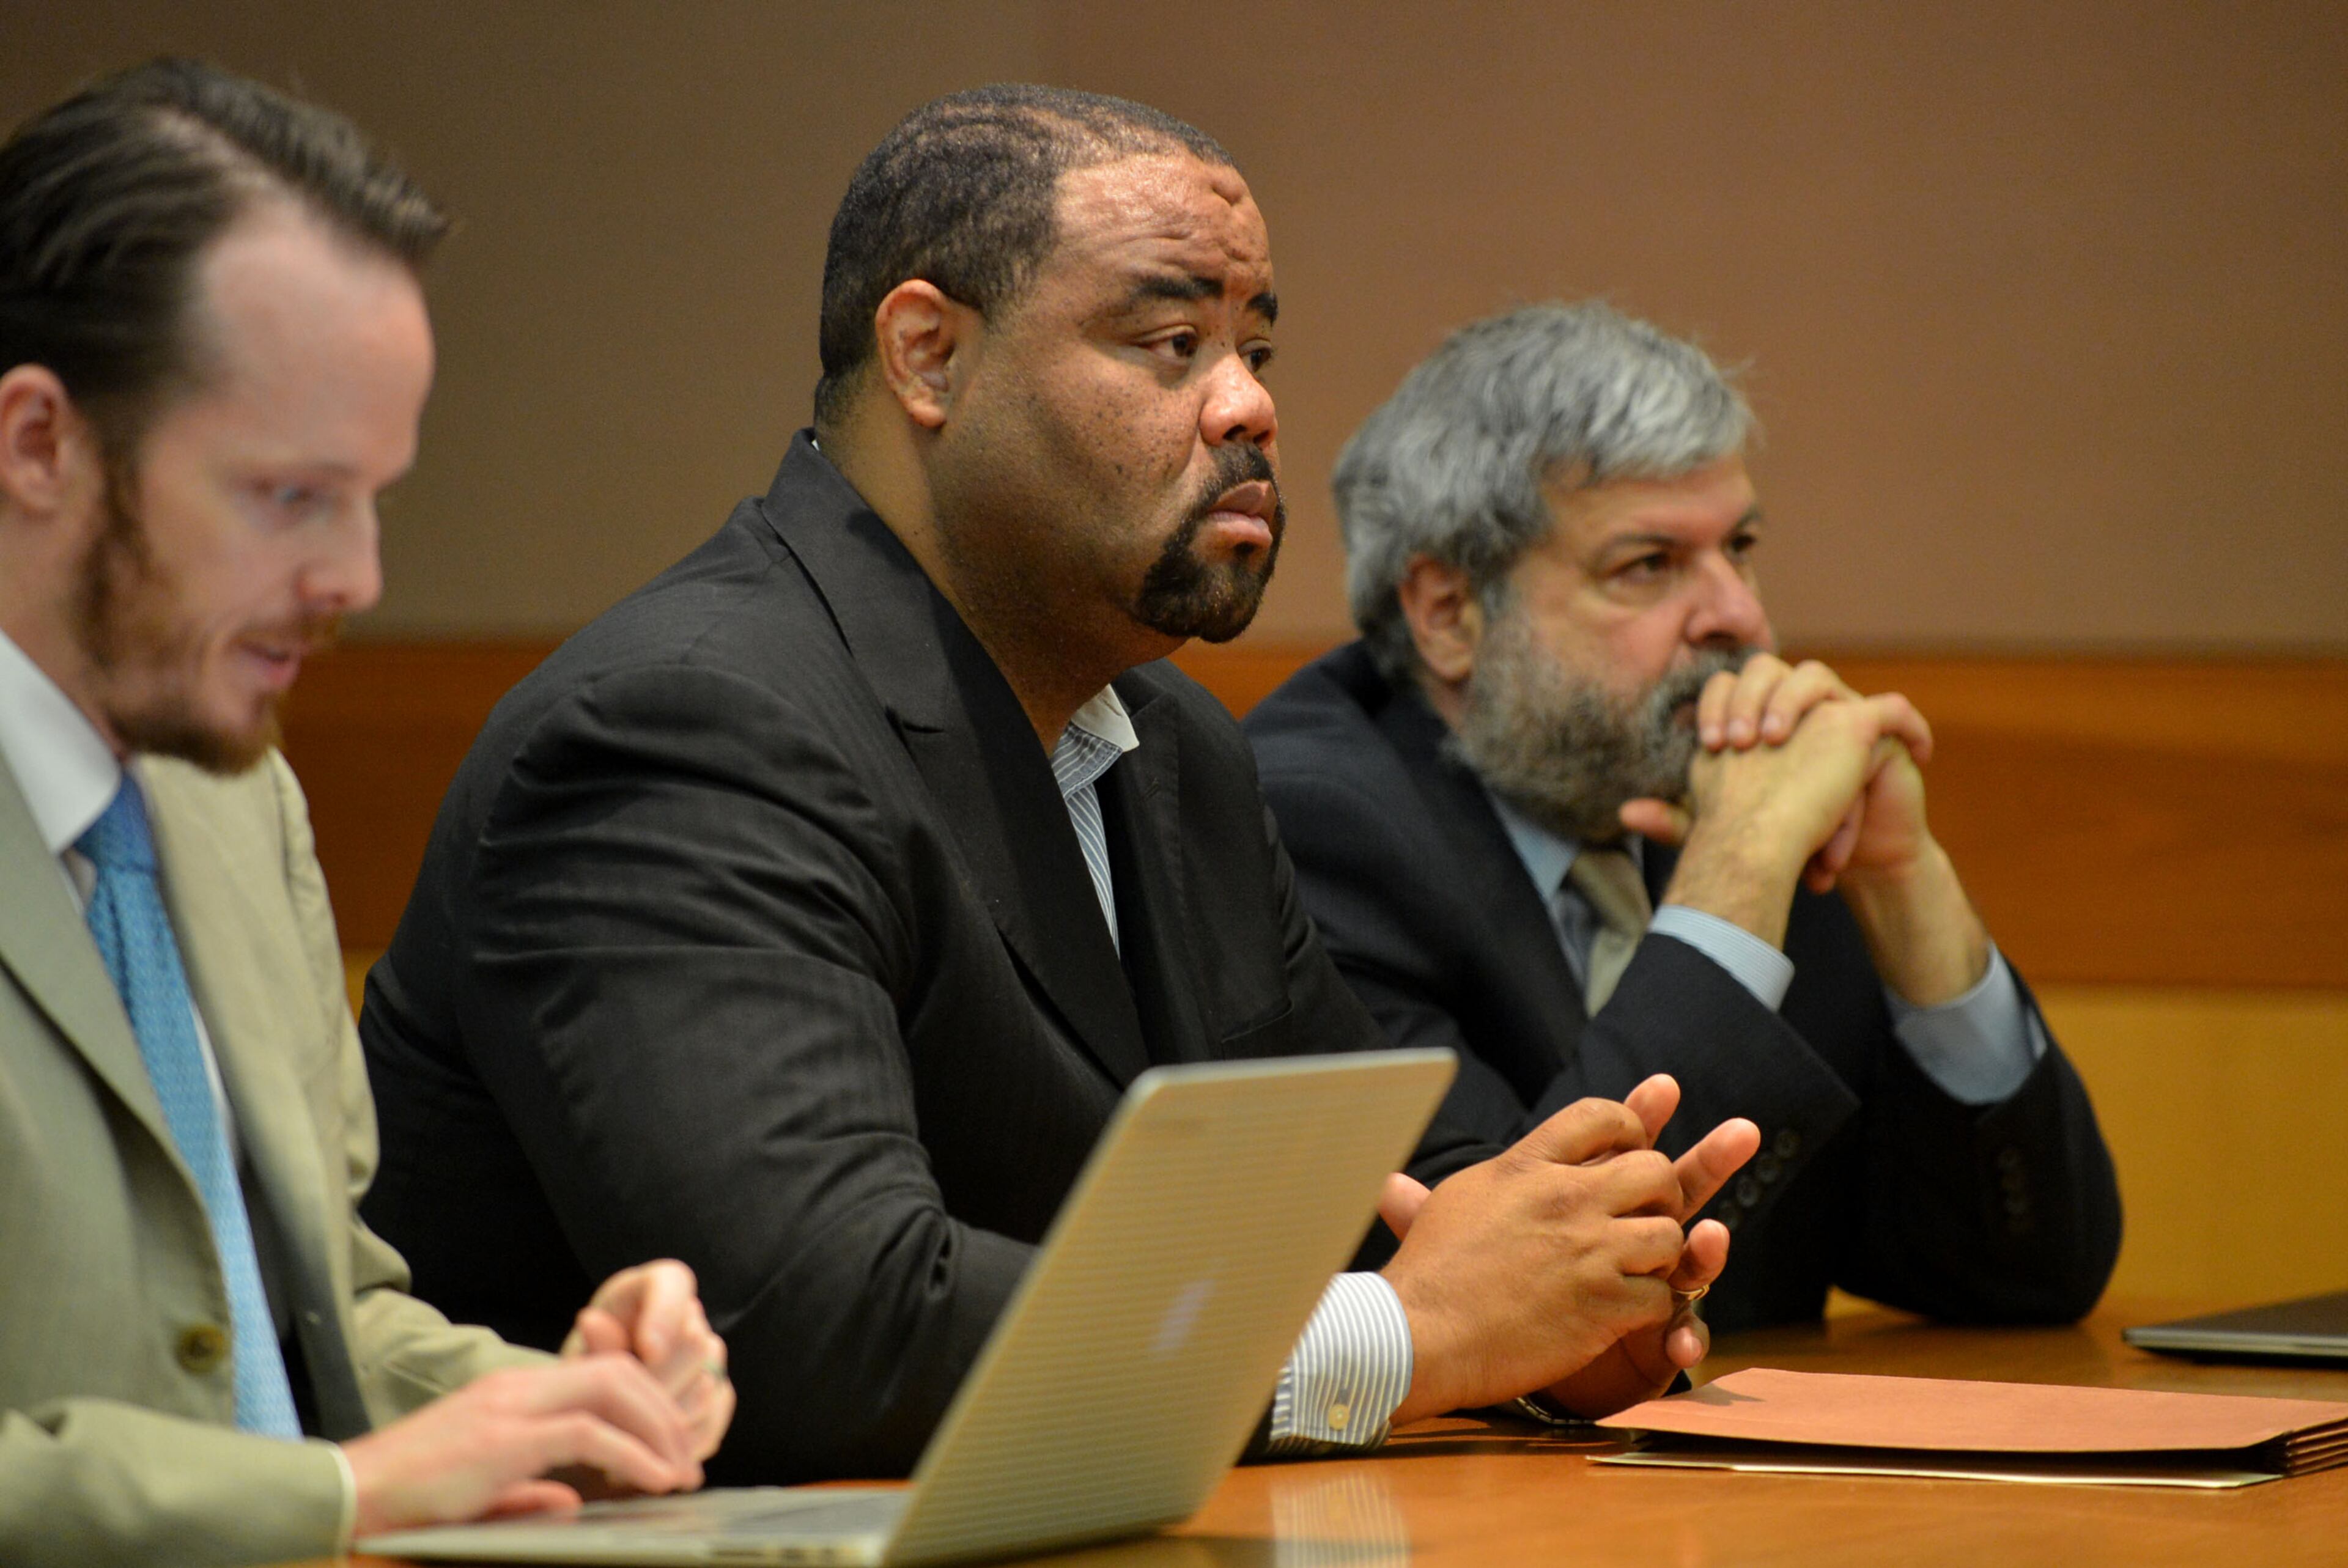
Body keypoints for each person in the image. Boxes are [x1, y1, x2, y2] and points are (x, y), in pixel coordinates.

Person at [357, 86, 1760, 1485]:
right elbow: (823, 1324)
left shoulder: (1178, 752)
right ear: (928, 355)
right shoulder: (687, 725)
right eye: (1171, 343)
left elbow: (1379, 1216)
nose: (1250, 403)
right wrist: (1413, 1333)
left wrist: (1564, 1289)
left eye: (1256, 345)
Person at [0, 61, 734, 1568]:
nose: (358, 578)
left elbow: (310, 1324)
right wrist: (339, 1496)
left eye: (377, 495)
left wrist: (562, 1406)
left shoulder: (236, 796)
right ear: (38, 445)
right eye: (290, 495)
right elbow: (303, 1466)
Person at [1244, 301, 2122, 1332]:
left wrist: (1901, 875)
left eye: (1738, 547)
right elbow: (1512, 1295)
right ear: (1448, 614)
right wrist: (1740, 864)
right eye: (1649, 566)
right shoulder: (1307, 828)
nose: (1739, 617)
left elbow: (2030, 1273)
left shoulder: (1725, 783)